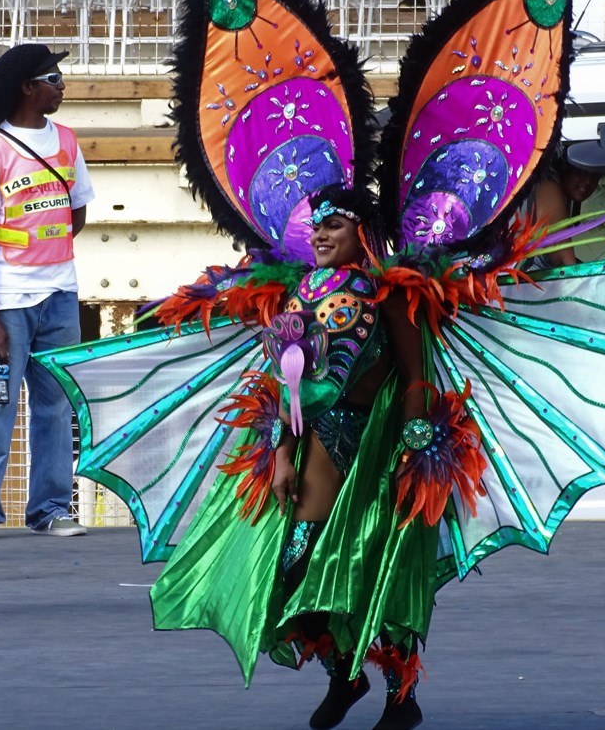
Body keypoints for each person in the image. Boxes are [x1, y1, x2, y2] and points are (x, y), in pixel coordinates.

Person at [151, 186, 438, 730]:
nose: (322, 234)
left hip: (382, 446)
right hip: (320, 440)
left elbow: (415, 374)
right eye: (316, 226)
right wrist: (282, 454)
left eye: (335, 225)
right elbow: (289, 382)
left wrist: (416, 446)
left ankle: (403, 695)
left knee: (382, 569)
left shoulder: (390, 294)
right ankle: (344, 674)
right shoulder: (301, 291)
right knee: (298, 561)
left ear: (362, 233)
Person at [0, 43, 95, 541]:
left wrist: (46, 254)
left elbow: (76, 212)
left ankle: (51, 509)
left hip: (59, 294)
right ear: (27, 88)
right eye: (52, 79)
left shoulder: (67, 142)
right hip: (6, 303)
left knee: (56, 407)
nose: (62, 87)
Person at [526, 156, 602, 268]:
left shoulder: (563, 196)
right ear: (564, 166)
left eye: (595, 176)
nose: (588, 181)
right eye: (582, 171)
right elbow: (566, 263)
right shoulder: (549, 188)